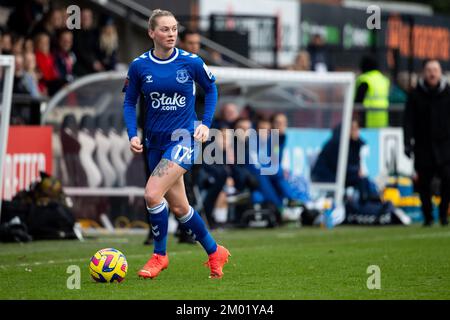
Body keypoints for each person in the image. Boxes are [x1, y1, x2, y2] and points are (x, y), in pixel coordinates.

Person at [122, 9, 231, 279]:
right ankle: (215, 251)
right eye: (165, 29)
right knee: (181, 208)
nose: (171, 34)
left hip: (184, 139)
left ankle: (159, 255)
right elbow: (129, 102)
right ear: (151, 33)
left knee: (151, 193)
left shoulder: (191, 62)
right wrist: (132, 134)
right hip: (154, 142)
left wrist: (205, 123)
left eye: (174, 29)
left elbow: (212, 88)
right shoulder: (139, 66)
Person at [403, 59, 450, 227]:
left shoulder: (447, 93)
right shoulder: (415, 95)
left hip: (445, 146)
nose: (432, 73)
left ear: (440, 72)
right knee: (423, 184)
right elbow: (408, 121)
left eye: (435, 70)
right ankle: (428, 217)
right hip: (423, 146)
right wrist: (407, 143)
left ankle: (444, 214)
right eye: (429, 70)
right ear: (424, 72)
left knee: (447, 179)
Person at [355, 55, 390, 128]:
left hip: (367, 119)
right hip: (382, 118)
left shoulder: (365, 79)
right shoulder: (384, 79)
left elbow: (358, 101)